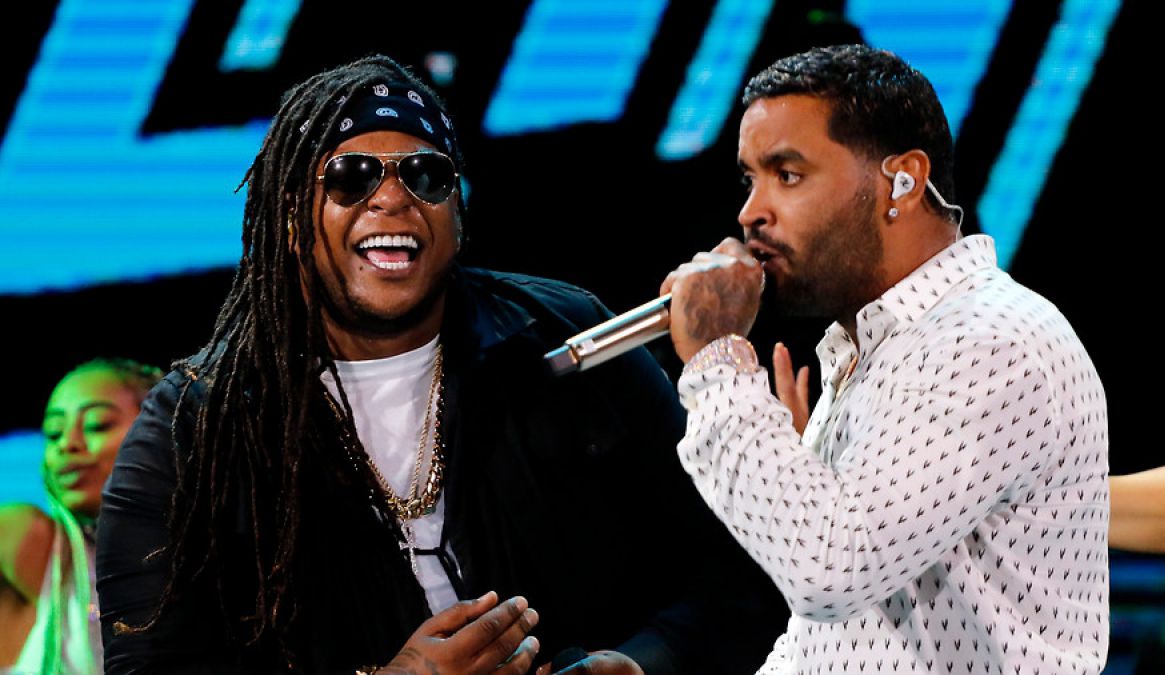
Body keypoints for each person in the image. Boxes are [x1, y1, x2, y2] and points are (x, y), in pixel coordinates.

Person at [96, 54, 785, 675]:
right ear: (289, 217)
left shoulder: (564, 335)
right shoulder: (195, 428)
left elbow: (739, 567)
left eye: (426, 175)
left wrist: (639, 664)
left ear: (457, 212)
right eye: (351, 177)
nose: (392, 198)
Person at [659, 44, 1109, 673]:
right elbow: (834, 641)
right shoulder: (882, 347)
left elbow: (830, 572)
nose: (750, 212)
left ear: (903, 181)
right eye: (750, 179)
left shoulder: (988, 342)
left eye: (788, 175)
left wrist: (716, 361)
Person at [1, 358, 163, 675]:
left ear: (159, 435)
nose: (67, 444)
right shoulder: (34, 544)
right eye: (54, 433)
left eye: (96, 425)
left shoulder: (210, 560)